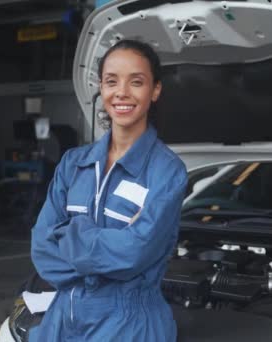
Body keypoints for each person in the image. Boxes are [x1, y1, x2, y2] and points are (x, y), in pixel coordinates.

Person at [29, 40, 187, 341]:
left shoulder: (167, 172)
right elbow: (41, 248)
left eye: (137, 82)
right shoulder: (74, 163)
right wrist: (111, 246)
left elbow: (134, 253)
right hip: (63, 318)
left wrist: (69, 233)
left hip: (129, 323)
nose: (122, 92)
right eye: (111, 81)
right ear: (101, 88)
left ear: (155, 90)